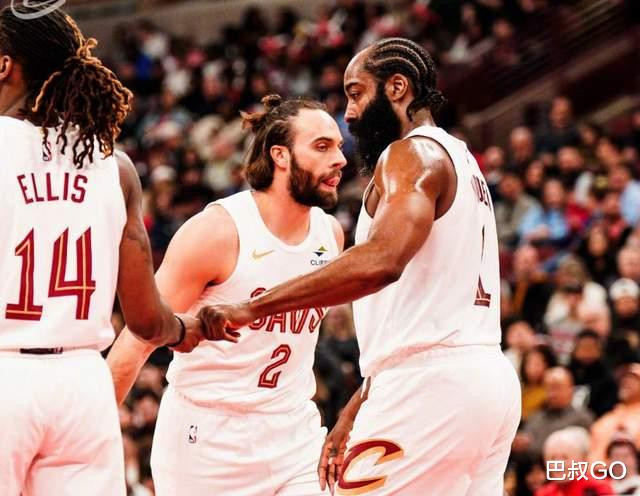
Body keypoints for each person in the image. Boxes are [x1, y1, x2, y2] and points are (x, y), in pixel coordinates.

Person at [199, 37, 521, 495]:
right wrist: (360, 402)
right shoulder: (462, 158)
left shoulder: (409, 155)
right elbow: (419, 313)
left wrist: (253, 307)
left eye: (356, 94)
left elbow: (382, 261)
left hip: (430, 389)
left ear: (396, 87)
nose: (348, 114)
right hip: (483, 380)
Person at [0, 5, 204, 496]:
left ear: (4, 65)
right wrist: (184, 329)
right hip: (82, 385)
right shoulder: (116, 166)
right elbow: (146, 321)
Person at [107, 94, 346, 495]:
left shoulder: (330, 234)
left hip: (294, 433)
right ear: (280, 156)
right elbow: (138, 338)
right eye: (322, 147)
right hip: (207, 441)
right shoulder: (217, 231)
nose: (339, 158)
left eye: (338, 146)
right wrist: (88, 432)